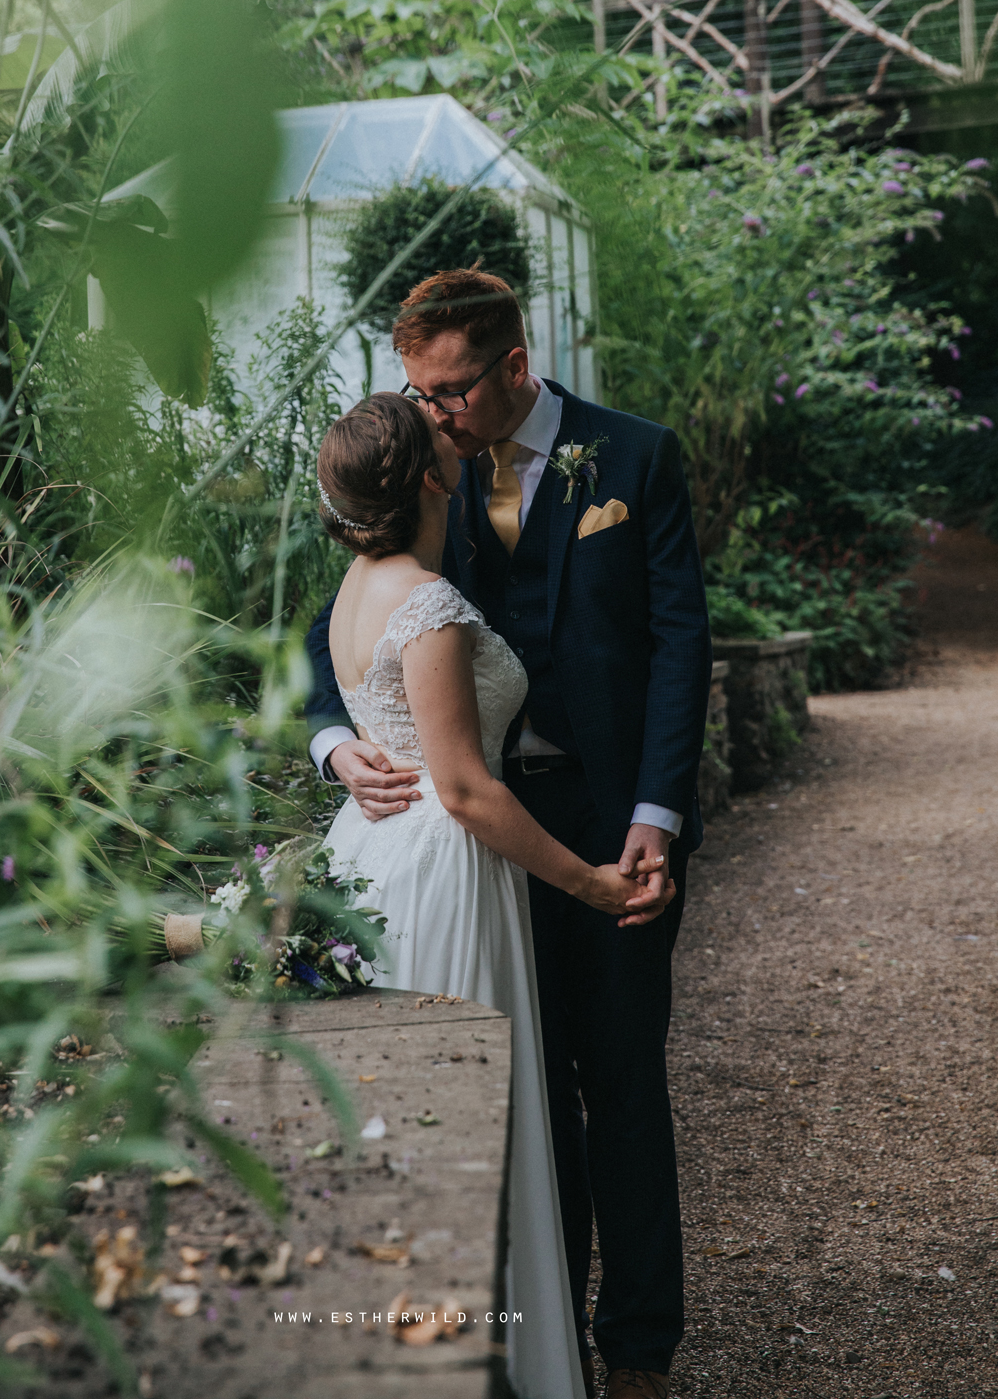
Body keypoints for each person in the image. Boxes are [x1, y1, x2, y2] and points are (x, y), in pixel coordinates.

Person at [306, 270, 711, 1399]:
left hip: (608, 820)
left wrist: (655, 819)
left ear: (513, 369)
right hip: (473, 842)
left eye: (445, 391)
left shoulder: (632, 459)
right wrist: (335, 748)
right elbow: (328, 640)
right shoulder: (416, 478)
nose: (427, 412)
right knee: (520, 1096)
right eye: (415, 389)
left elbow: (682, 645)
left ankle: (638, 1349)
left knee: (622, 1083)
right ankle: (545, 1348)